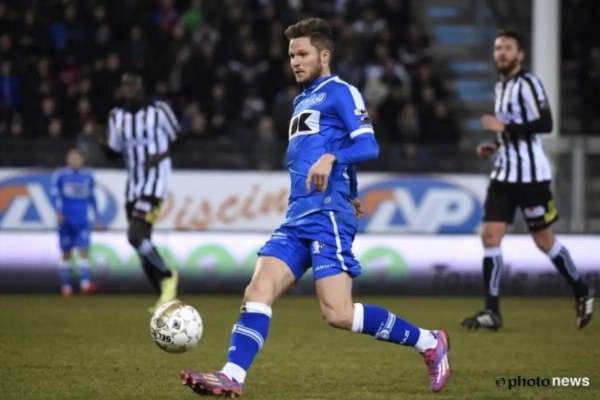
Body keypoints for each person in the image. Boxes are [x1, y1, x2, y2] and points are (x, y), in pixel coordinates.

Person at [179, 18, 451, 397]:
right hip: (297, 218)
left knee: (338, 314)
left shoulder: (342, 92)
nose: (295, 61)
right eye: (292, 55)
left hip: (327, 217)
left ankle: (429, 341)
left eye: (303, 54)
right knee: (257, 290)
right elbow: (330, 148)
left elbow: (367, 145)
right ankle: (232, 376)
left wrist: (333, 161)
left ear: (324, 56)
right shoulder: (300, 100)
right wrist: (351, 188)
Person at [461, 29, 595, 331]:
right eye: (498, 48)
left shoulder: (528, 83)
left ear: (520, 55)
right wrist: (496, 145)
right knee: (490, 236)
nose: (502, 53)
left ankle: (582, 289)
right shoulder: (501, 87)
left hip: (532, 178)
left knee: (543, 240)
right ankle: (492, 312)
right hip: (504, 174)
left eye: (508, 48)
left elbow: (545, 123)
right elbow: (512, 129)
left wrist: (504, 128)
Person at [95, 72, 182, 313]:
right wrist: (101, 144)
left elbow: (180, 138)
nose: (130, 89)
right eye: (126, 86)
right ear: (122, 90)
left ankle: (168, 275)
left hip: (155, 183)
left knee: (135, 235)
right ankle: (164, 296)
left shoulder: (159, 111)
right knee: (142, 242)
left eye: (134, 85)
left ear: (142, 88)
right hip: (133, 186)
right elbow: (115, 154)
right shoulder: (116, 116)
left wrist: (160, 157)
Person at [51, 148, 102, 297]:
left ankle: (85, 285)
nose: (74, 160)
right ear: (67, 160)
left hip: (82, 220)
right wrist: (57, 212)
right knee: (66, 252)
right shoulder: (61, 176)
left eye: (76, 158)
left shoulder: (88, 176)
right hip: (66, 219)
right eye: (71, 158)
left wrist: (97, 217)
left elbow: (92, 198)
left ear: (82, 160)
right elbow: (54, 196)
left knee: (83, 250)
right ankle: (66, 287)